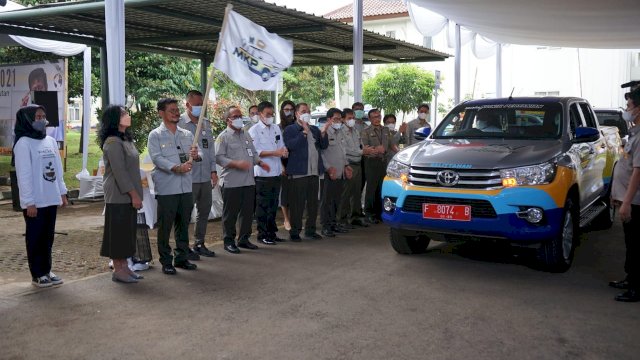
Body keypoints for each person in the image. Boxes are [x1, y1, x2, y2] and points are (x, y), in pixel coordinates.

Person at [13, 105, 68, 288]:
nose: (42, 120)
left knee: (47, 237)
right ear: (27, 120)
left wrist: (62, 192)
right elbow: (24, 176)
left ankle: (47, 269)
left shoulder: (50, 141)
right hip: (35, 201)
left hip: (51, 198)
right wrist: (29, 202)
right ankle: (37, 274)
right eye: (37, 117)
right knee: (35, 238)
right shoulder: (23, 144)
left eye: (43, 116)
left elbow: (58, 170)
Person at [148, 98, 201, 275]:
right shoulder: (155, 135)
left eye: (177, 110)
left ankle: (181, 258)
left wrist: (196, 155)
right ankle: (166, 261)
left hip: (185, 187)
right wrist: (176, 167)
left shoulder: (186, 134)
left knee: (183, 225)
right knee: (165, 227)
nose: (176, 113)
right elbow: (157, 158)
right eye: (171, 110)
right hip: (167, 188)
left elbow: (197, 154)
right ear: (161, 113)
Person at [99, 105, 144, 284]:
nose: (128, 116)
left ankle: (125, 266)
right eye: (124, 114)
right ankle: (118, 269)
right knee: (118, 232)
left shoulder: (125, 140)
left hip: (129, 192)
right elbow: (120, 172)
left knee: (126, 232)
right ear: (114, 119)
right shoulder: (112, 142)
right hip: (119, 194)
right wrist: (133, 195)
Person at [216, 106, 270, 253]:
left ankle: (244, 239)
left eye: (240, 115)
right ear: (228, 120)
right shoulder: (223, 137)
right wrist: (235, 163)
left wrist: (260, 162)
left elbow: (253, 152)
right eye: (235, 116)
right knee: (230, 214)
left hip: (248, 181)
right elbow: (219, 157)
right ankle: (229, 241)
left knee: (247, 213)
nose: (239, 118)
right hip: (231, 182)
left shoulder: (245, 135)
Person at [179, 90, 217, 259]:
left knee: (204, 211)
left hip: (205, 177)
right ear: (187, 105)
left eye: (202, 105)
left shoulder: (206, 123)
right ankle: (183, 247)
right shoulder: (179, 122)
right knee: (186, 213)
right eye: (197, 105)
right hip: (188, 176)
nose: (200, 108)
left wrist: (214, 171)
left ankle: (199, 243)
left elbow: (210, 150)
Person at [610, 88, 640, 302]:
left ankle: (636, 288)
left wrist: (627, 202)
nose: (627, 110)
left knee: (637, 246)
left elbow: (638, 172)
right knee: (631, 243)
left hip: (636, 202)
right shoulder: (635, 133)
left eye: (629, 106)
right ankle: (631, 279)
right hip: (629, 200)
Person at [283, 102, 328, 241]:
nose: (306, 113)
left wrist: (324, 132)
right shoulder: (290, 129)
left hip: (314, 172)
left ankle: (310, 230)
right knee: (298, 204)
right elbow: (291, 146)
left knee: (313, 203)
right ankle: (295, 232)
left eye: (308, 110)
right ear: (297, 114)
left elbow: (323, 145)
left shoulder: (314, 129)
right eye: (303, 111)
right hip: (299, 173)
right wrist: (303, 132)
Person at [249, 101, 288, 245]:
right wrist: (274, 152)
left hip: (276, 172)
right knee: (263, 207)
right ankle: (263, 234)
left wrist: (284, 151)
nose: (270, 117)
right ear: (260, 114)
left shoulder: (276, 129)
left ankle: (272, 233)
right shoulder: (254, 130)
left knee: (273, 206)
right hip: (263, 174)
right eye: (267, 114)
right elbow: (255, 152)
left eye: (272, 114)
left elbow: (281, 145)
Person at [319, 108, 352, 237]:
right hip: (329, 172)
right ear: (329, 120)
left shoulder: (340, 132)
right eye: (335, 119)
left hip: (340, 171)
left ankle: (334, 224)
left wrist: (346, 165)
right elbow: (320, 153)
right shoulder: (324, 132)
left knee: (336, 200)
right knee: (326, 201)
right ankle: (325, 226)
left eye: (339, 119)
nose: (338, 121)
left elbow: (342, 152)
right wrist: (328, 168)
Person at [361, 109, 396, 224]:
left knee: (381, 188)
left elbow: (391, 145)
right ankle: (369, 213)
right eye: (374, 117)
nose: (377, 118)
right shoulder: (366, 131)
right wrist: (376, 150)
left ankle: (378, 213)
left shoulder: (385, 130)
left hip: (383, 162)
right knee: (371, 188)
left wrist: (400, 152)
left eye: (378, 116)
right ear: (370, 119)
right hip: (371, 162)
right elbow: (364, 148)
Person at [338, 108, 367, 228]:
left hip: (358, 164)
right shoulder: (340, 131)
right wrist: (362, 152)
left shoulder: (355, 130)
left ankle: (355, 217)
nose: (352, 120)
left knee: (356, 192)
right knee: (345, 193)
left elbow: (360, 144)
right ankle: (341, 220)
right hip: (348, 164)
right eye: (349, 118)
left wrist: (364, 150)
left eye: (353, 118)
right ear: (343, 119)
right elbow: (345, 149)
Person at [279, 100, 296, 231]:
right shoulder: (278, 128)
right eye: (286, 109)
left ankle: (296, 219)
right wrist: (281, 165)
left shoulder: (299, 126)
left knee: (295, 193)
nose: (289, 112)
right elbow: (277, 148)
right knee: (285, 192)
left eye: (291, 109)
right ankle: (286, 218)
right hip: (284, 163)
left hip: (297, 162)